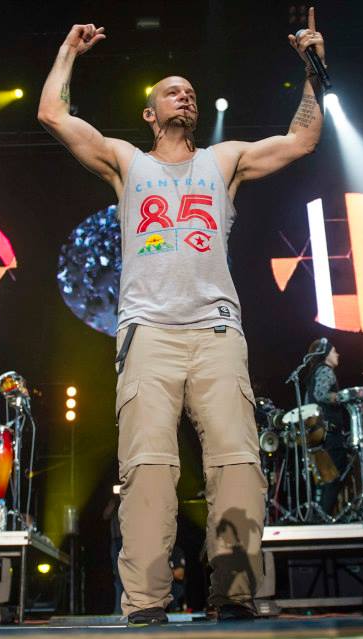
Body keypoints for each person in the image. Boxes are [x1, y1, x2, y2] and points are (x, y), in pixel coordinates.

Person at [38, 9, 326, 625]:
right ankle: (146, 601)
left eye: (190, 91)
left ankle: (236, 592)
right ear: (150, 113)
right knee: (147, 467)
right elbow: (53, 116)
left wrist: (313, 68)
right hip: (148, 332)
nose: (185, 95)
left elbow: (301, 140)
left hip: (216, 329)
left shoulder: (224, 160)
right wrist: (68, 52)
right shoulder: (127, 162)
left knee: (237, 461)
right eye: (172, 91)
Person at [302, 339, 349, 517]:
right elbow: (321, 394)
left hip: (317, 434)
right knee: (335, 474)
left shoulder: (313, 374)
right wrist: (345, 396)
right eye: (334, 351)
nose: (338, 354)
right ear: (325, 354)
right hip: (330, 433)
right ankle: (323, 516)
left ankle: (319, 515)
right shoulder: (325, 370)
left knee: (324, 477)